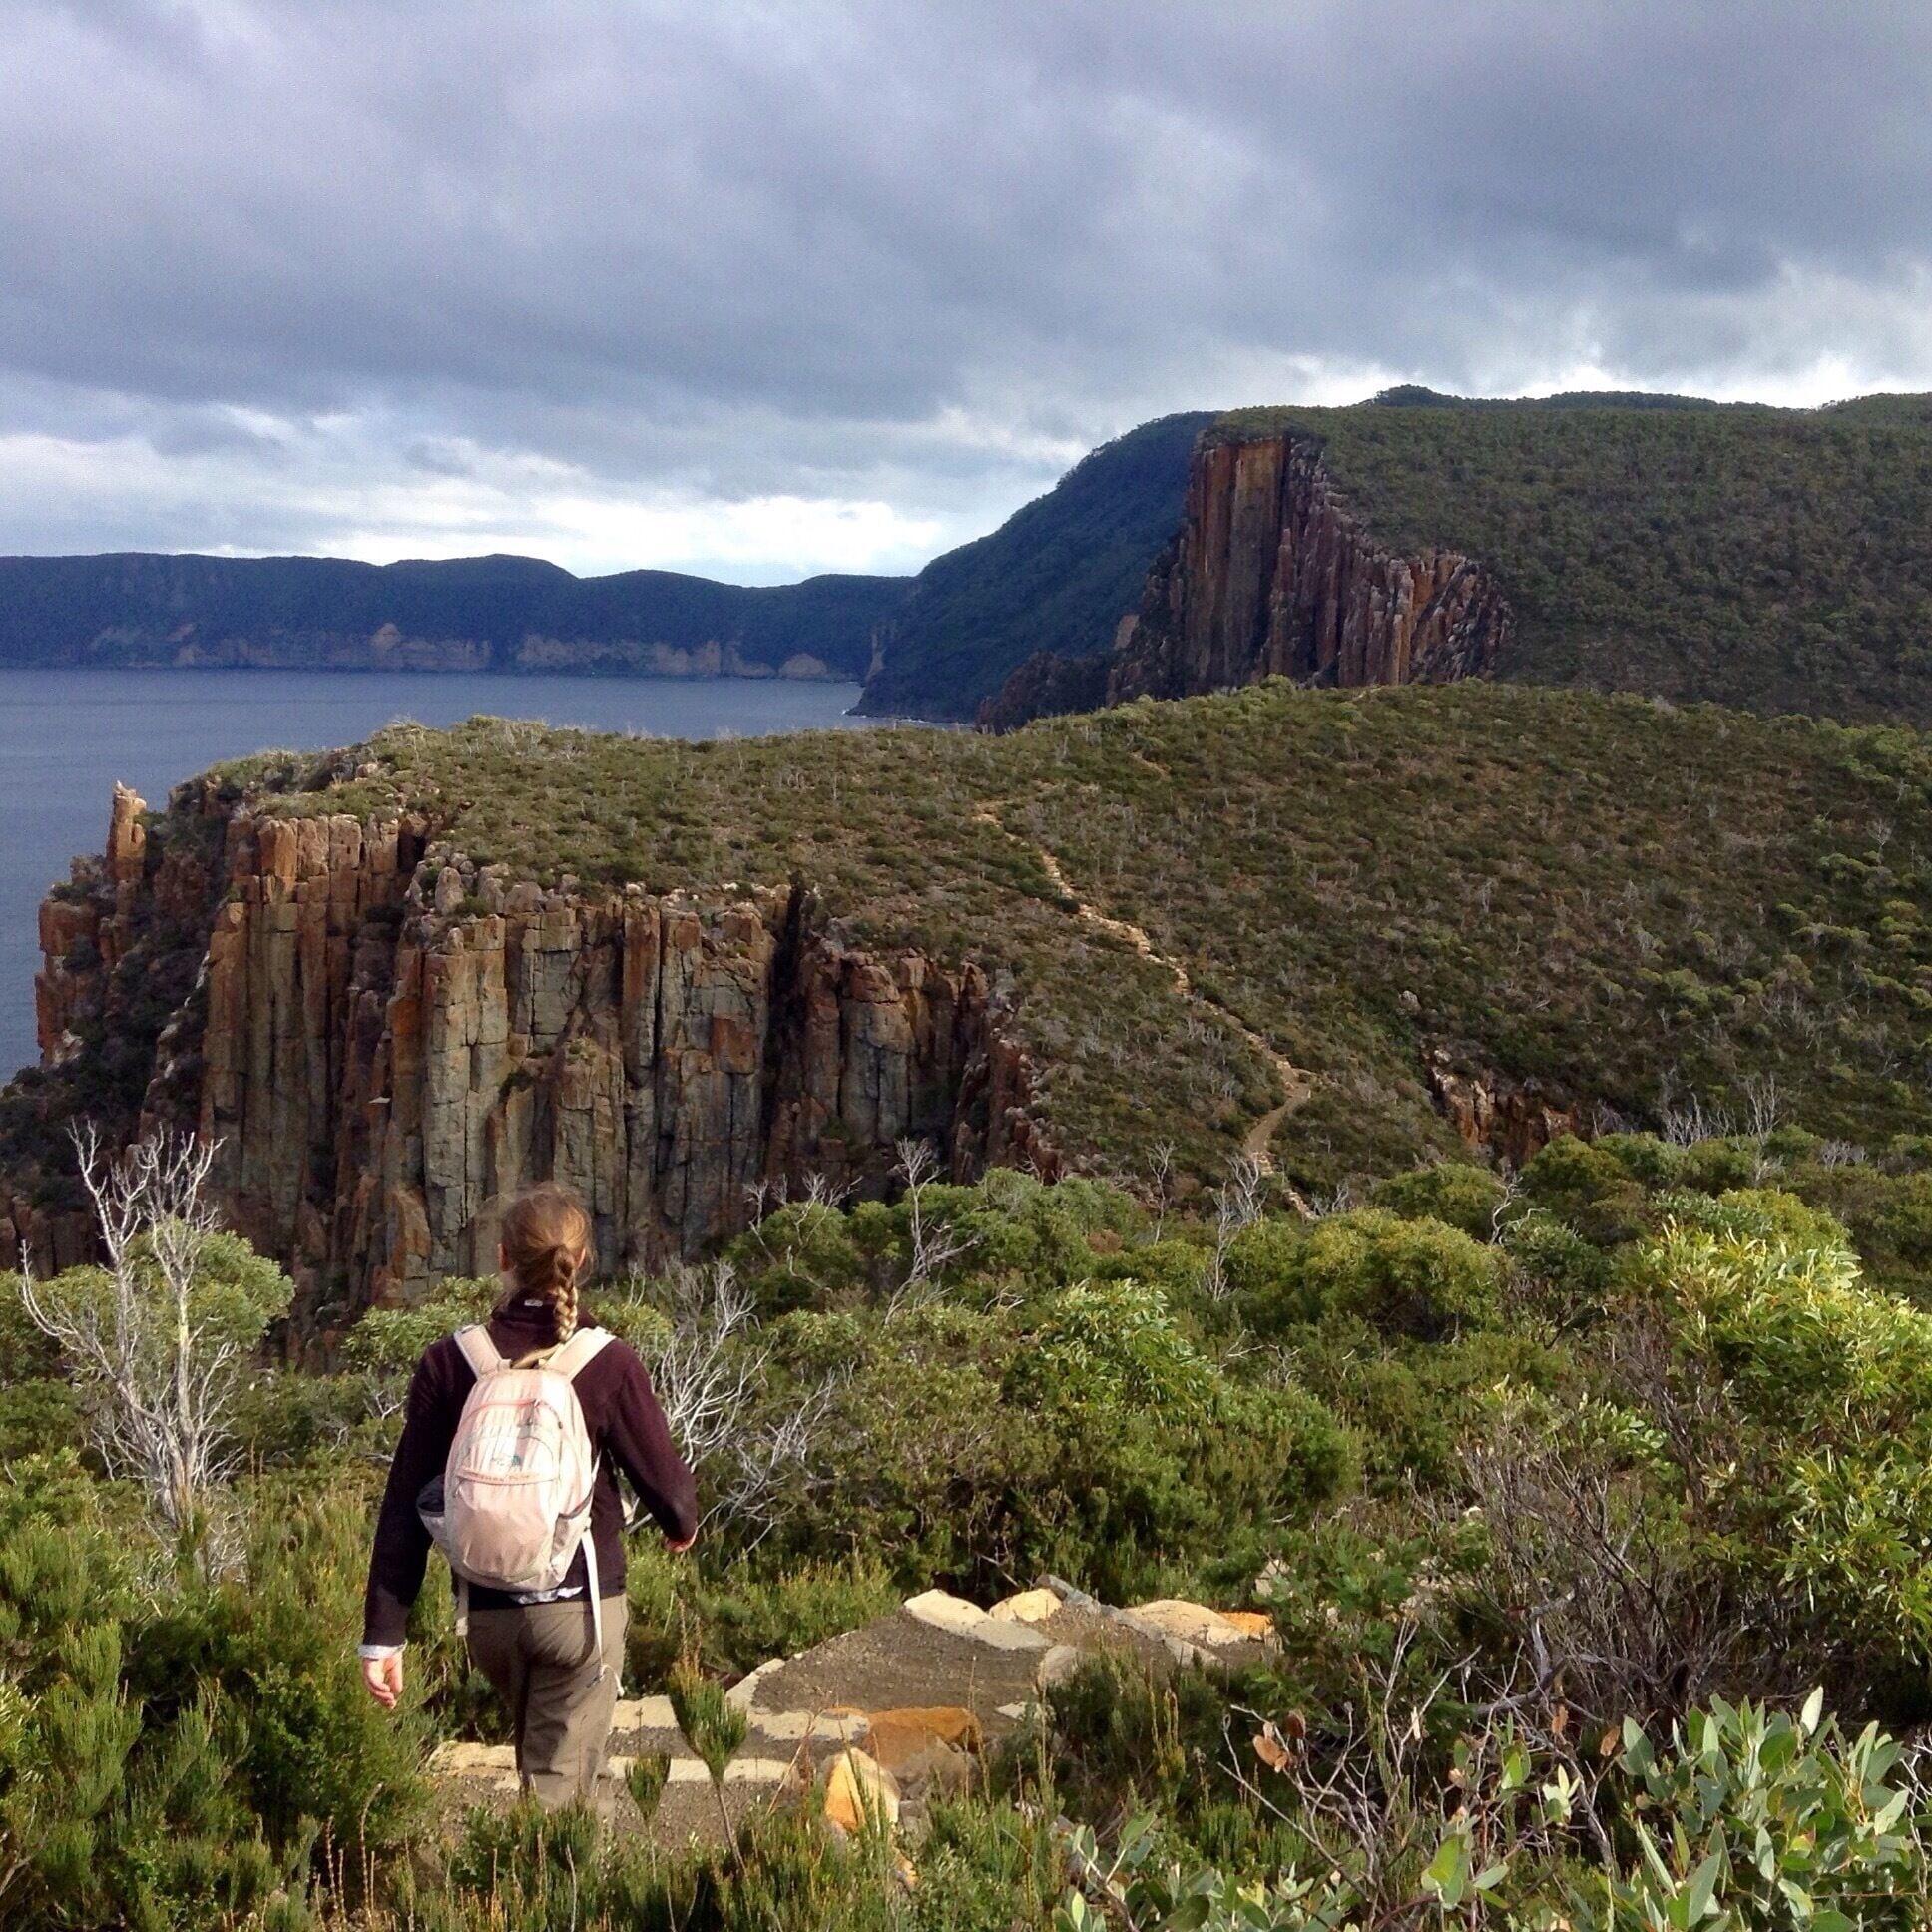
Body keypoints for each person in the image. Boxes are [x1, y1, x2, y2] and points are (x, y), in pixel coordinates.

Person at [359, 1182, 698, 1806]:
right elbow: (673, 1495)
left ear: (503, 1259)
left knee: (556, 1767)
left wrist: (384, 1635)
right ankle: (538, 1899)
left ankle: (549, 1893)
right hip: (580, 1612)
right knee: (557, 1789)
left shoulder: (451, 1361)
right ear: (583, 1261)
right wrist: (681, 1526)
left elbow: (406, 1501)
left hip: (488, 1615)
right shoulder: (608, 1361)